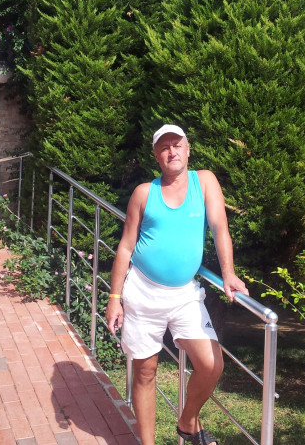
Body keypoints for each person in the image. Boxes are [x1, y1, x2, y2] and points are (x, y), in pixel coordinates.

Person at [105, 124, 249, 445]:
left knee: (211, 365)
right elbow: (126, 247)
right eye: (164, 147)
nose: (172, 151)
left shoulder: (205, 181)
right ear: (156, 156)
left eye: (177, 144)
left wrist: (228, 273)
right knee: (145, 372)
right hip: (142, 292)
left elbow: (220, 228)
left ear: (188, 149)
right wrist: (114, 297)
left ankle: (187, 421)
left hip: (185, 294)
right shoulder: (144, 193)